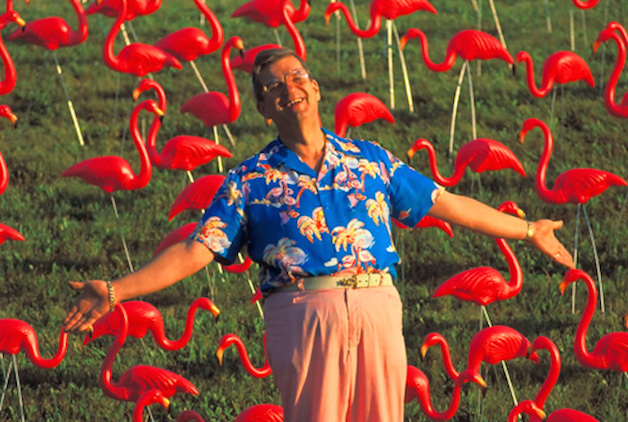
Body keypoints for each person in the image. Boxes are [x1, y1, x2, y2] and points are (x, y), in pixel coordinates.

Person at [63, 48, 575, 422]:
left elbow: (446, 201)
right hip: (304, 313)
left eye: (296, 75)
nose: (289, 87)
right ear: (265, 109)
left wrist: (528, 230)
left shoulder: (370, 159)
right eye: (273, 86)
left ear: (315, 87)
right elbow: (198, 249)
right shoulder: (249, 178)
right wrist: (116, 291)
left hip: (377, 306)